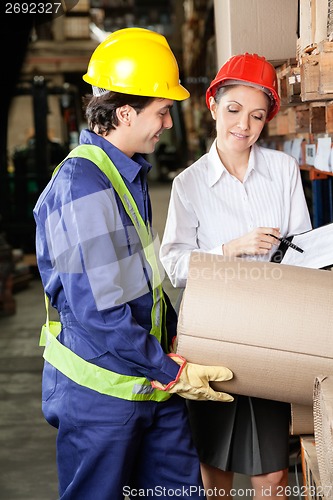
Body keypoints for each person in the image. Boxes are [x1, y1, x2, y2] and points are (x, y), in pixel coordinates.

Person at [33, 27, 234, 500]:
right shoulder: (83, 186)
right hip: (103, 393)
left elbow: (140, 282)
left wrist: (180, 343)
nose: (168, 123)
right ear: (125, 113)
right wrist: (170, 369)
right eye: (162, 111)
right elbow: (100, 311)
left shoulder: (124, 173)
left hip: (148, 381)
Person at [160, 53, 312, 499]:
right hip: (213, 338)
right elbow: (173, 264)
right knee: (216, 473)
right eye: (234, 110)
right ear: (213, 106)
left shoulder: (283, 171)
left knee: (272, 476)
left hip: (271, 335)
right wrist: (231, 250)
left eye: (257, 116)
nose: (244, 125)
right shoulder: (188, 184)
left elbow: (302, 249)